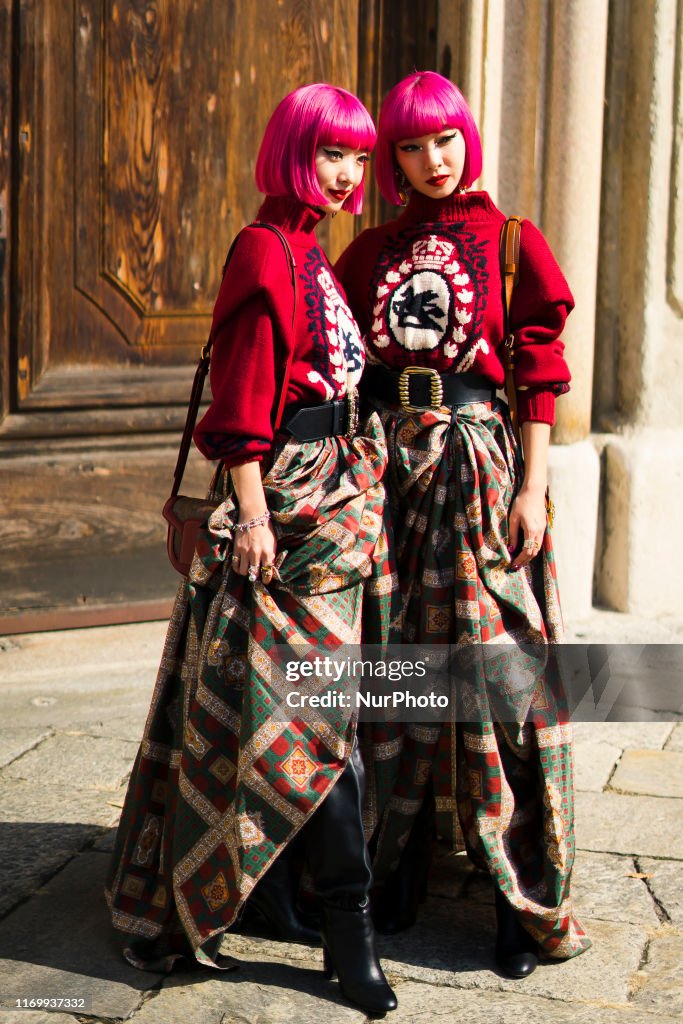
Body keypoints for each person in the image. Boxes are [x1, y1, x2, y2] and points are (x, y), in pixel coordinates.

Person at [105, 83, 397, 1016]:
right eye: (329, 156)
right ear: (290, 155)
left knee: (315, 711)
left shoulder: (317, 251)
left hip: (338, 497)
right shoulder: (265, 251)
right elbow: (241, 399)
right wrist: (255, 514)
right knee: (305, 720)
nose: (348, 173)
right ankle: (347, 929)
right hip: (280, 504)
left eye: (357, 157)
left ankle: (273, 891)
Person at [335, 71, 591, 978]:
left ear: (465, 142)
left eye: (444, 140)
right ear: (393, 157)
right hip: (388, 474)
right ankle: (395, 860)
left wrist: (534, 487)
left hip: (482, 472)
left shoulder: (513, 242)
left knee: (500, 681)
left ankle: (519, 900)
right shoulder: (368, 252)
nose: (431, 160)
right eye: (410, 145)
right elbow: (344, 366)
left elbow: (540, 367)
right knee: (397, 669)